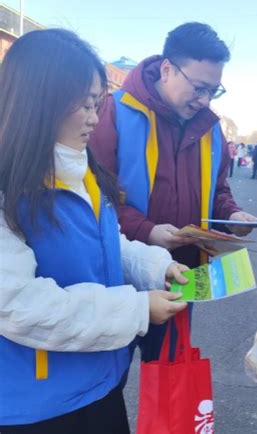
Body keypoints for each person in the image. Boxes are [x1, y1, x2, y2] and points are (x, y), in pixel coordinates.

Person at [0, 29, 189, 433]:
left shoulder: (84, 171)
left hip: (102, 380)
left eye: (97, 102)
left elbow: (105, 244)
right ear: (40, 100)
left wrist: (156, 267)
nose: (94, 117)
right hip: (38, 406)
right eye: (84, 104)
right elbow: (18, 304)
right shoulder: (8, 187)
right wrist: (137, 309)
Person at [90, 22, 257, 361]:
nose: (205, 100)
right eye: (198, 88)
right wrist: (147, 231)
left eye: (214, 90)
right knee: (107, 377)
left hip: (183, 275)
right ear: (167, 69)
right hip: (119, 277)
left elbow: (219, 190)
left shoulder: (210, 129)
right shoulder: (115, 112)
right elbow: (93, 195)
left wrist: (231, 215)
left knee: (170, 378)